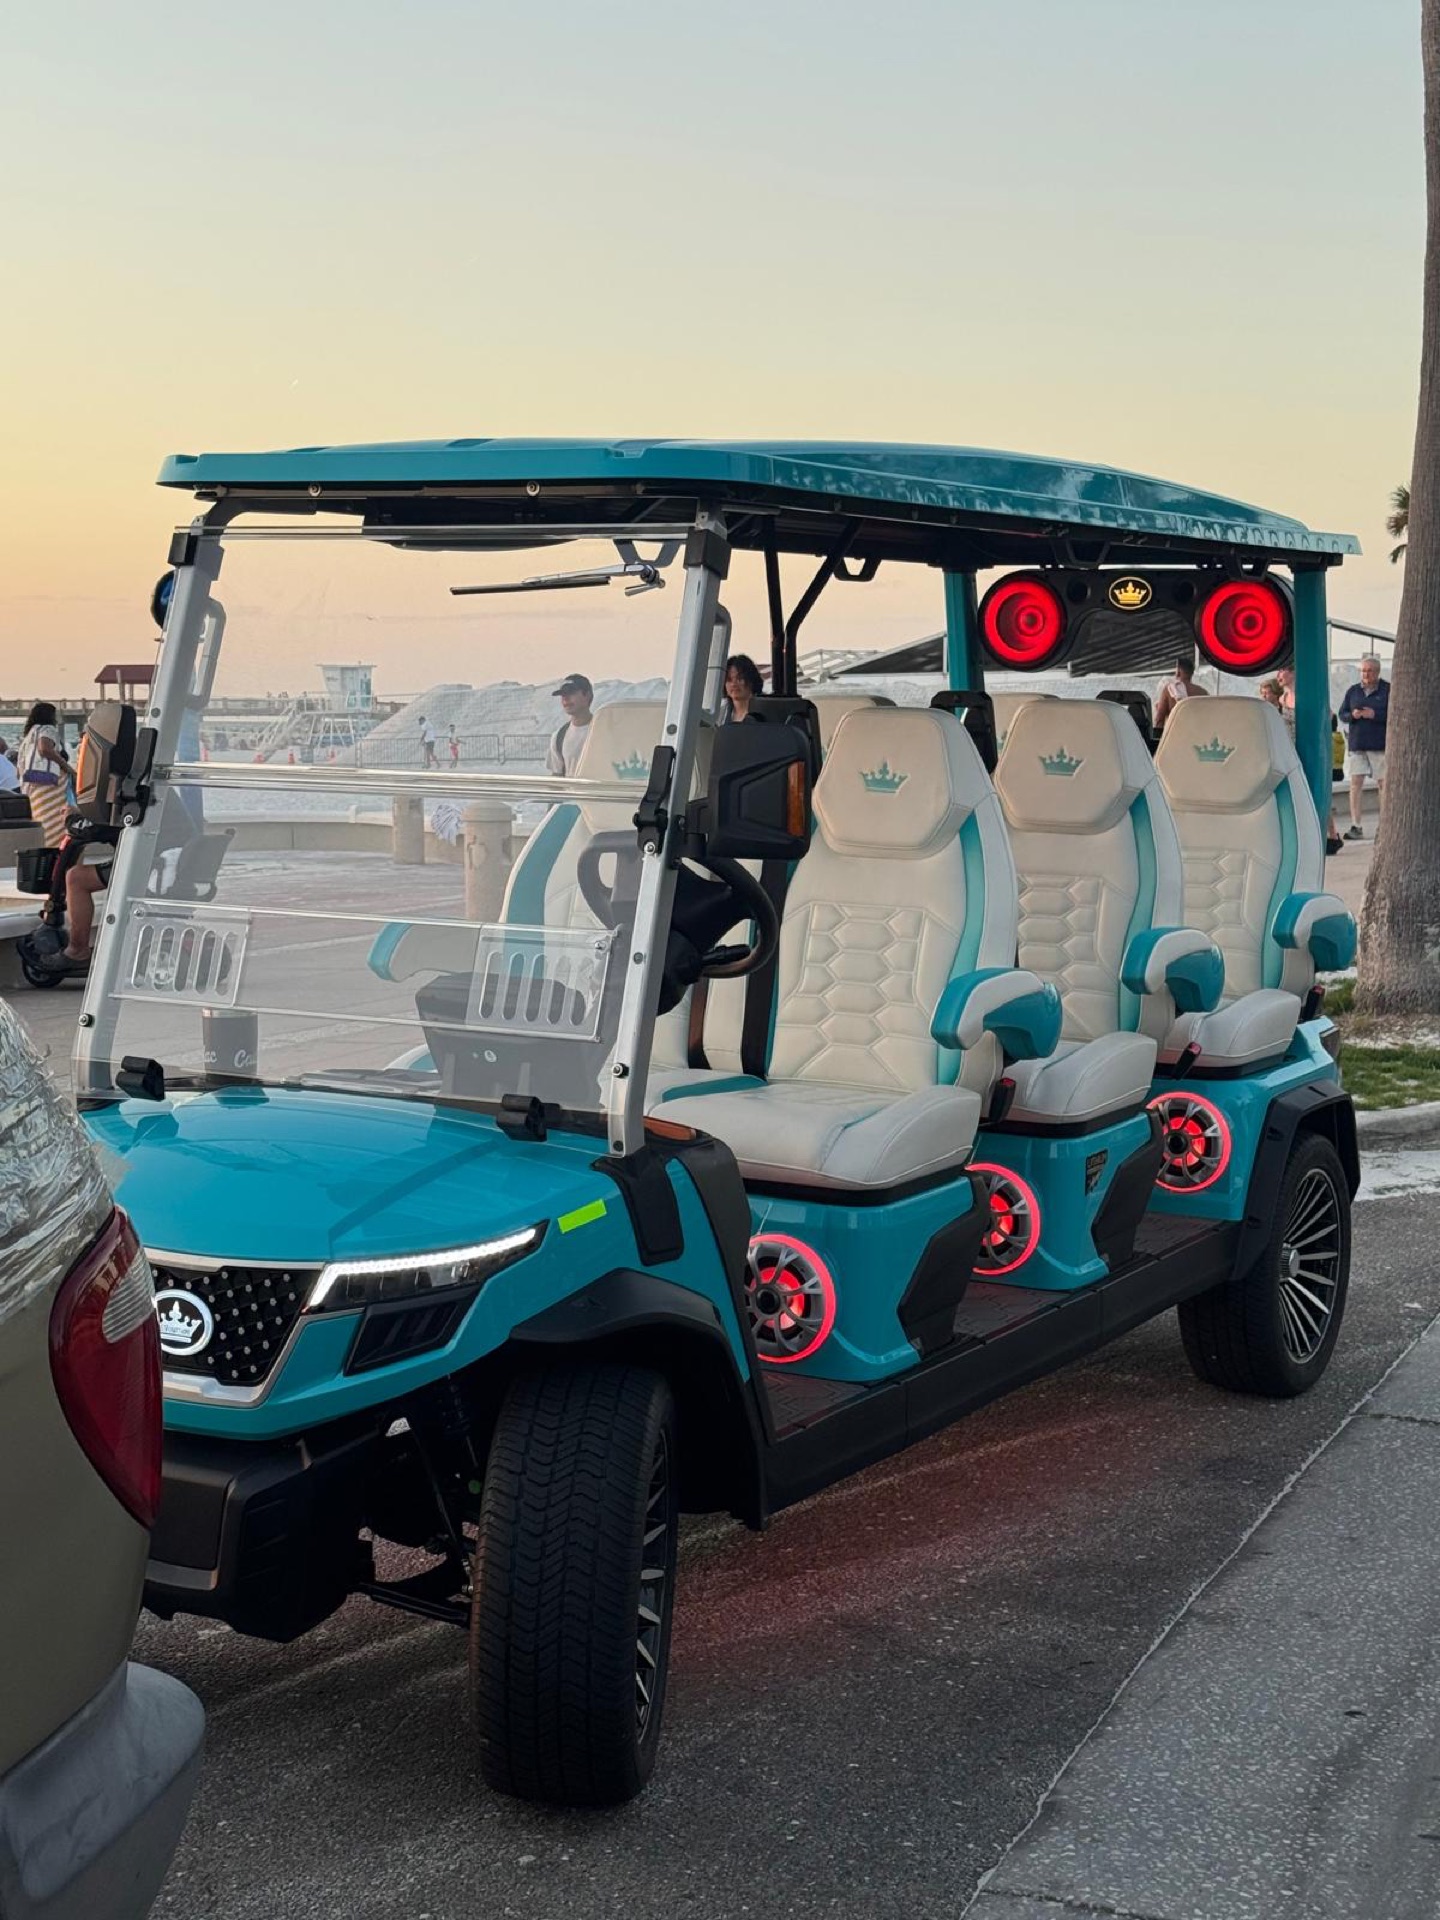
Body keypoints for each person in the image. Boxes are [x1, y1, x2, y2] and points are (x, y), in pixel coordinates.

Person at [1274, 668, 1342, 855]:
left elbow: (1328, 715)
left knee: (1315, 789)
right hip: (1290, 749)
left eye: (1282, 672)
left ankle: (1330, 834)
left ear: (1294, 673)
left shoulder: (1308, 695)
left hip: (1309, 747)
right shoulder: (1282, 699)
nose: (1278, 676)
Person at [1337, 655, 1388, 840]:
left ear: (1377, 672)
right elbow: (1342, 713)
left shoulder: (1387, 690)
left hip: (1379, 745)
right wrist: (1353, 715)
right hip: (1357, 744)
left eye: (1369, 671)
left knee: (1383, 784)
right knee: (1355, 784)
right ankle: (1356, 825)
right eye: (1363, 671)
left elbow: (1394, 713)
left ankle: (1385, 825)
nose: (1365, 674)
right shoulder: (1353, 691)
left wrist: (1374, 713)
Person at [17, 702, 70, 845]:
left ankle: (47, 851)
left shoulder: (29, 735)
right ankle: (57, 854)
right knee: (57, 822)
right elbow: (45, 749)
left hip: (33, 787)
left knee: (42, 821)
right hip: (50, 788)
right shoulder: (48, 729)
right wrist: (69, 769)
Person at [546, 673, 594, 775]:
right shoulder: (559, 737)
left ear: (587, 695)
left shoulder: (604, 730)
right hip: (572, 791)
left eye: (571, 693)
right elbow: (556, 778)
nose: (565, 699)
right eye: (563, 695)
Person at [1153, 655, 1208, 732]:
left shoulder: (1169, 689)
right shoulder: (1203, 693)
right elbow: (1208, 719)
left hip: (1176, 736)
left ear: (1178, 671)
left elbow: (1159, 719)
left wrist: (1157, 740)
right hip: (1197, 737)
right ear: (1191, 673)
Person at [720, 654, 764, 723]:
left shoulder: (765, 711)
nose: (733, 684)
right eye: (729, 679)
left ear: (751, 679)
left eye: (739, 678)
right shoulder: (719, 716)